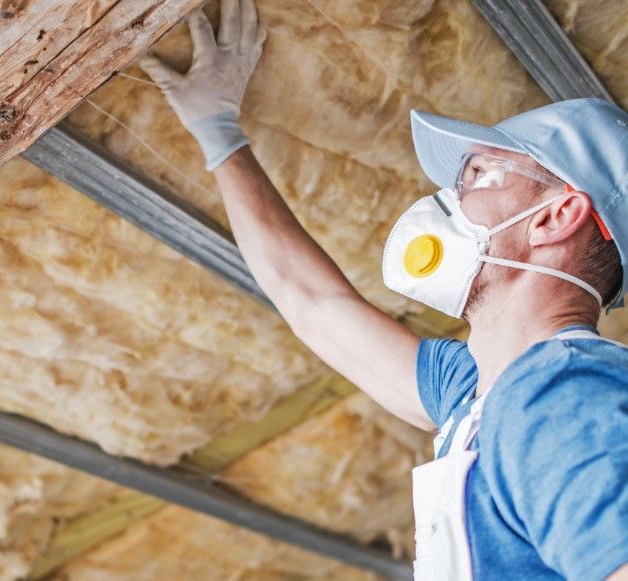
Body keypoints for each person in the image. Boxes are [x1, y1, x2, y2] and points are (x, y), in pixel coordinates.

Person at [140, 0, 628, 578]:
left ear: (555, 218)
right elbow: (313, 302)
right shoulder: (473, 396)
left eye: (478, 177)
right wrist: (219, 134)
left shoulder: (560, 393)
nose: (449, 199)